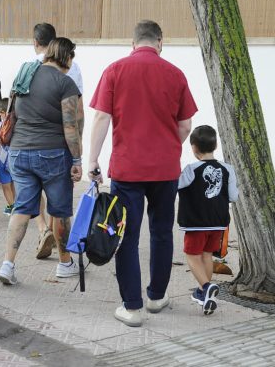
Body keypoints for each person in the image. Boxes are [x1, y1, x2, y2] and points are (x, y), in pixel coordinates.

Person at [88, 20, 198, 327]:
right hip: (165, 169)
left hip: (127, 168)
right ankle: (156, 297)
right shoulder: (175, 74)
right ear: (160, 42)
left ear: (133, 43)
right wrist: (167, 145)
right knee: (162, 232)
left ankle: (132, 307)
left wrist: (93, 160)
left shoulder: (115, 70)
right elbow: (186, 125)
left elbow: (100, 117)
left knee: (127, 236)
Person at [0, 37, 83, 285]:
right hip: (53, 153)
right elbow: (70, 125)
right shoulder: (65, 83)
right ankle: (65, 263)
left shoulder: (24, 74)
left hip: (19, 151)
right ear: (66, 57)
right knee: (60, 210)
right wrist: (76, 158)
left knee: (22, 208)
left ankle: (7, 264)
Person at [31, 23, 85, 260]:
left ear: (36, 42)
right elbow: (77, 114)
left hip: (28, 143)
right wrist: (78, 151)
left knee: (31, 195)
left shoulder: (31, 66)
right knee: (59, 199)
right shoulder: (72, 69)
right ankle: (63, 257)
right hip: (59, 144)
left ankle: (42, 229)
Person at [178, 125, 238, 315]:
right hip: (219, 222)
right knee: (206, 256)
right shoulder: (228, 169)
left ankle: (206, 286)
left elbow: (175, 186)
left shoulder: (191, 169)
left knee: (191, 255)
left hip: (197, 223)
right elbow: (233, 196)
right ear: (216, 145)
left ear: (194, 148)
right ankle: (204, 295)